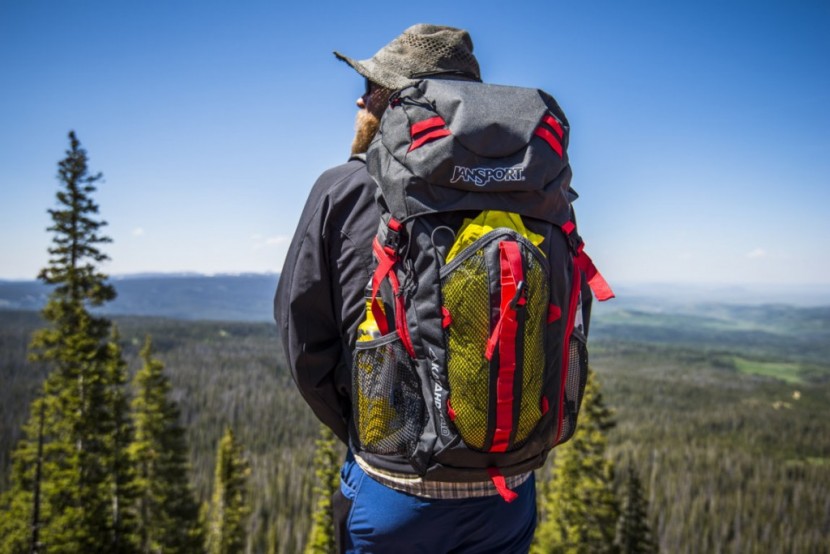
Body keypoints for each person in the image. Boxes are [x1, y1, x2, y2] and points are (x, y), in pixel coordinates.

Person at [275, 24, 537, 553]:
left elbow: (306, 346)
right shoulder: (533, 195)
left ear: (397, 101)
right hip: (506, 493)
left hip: (396, 491)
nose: (359, 98)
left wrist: (371, 433)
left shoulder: (345, 189)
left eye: (372, 88)